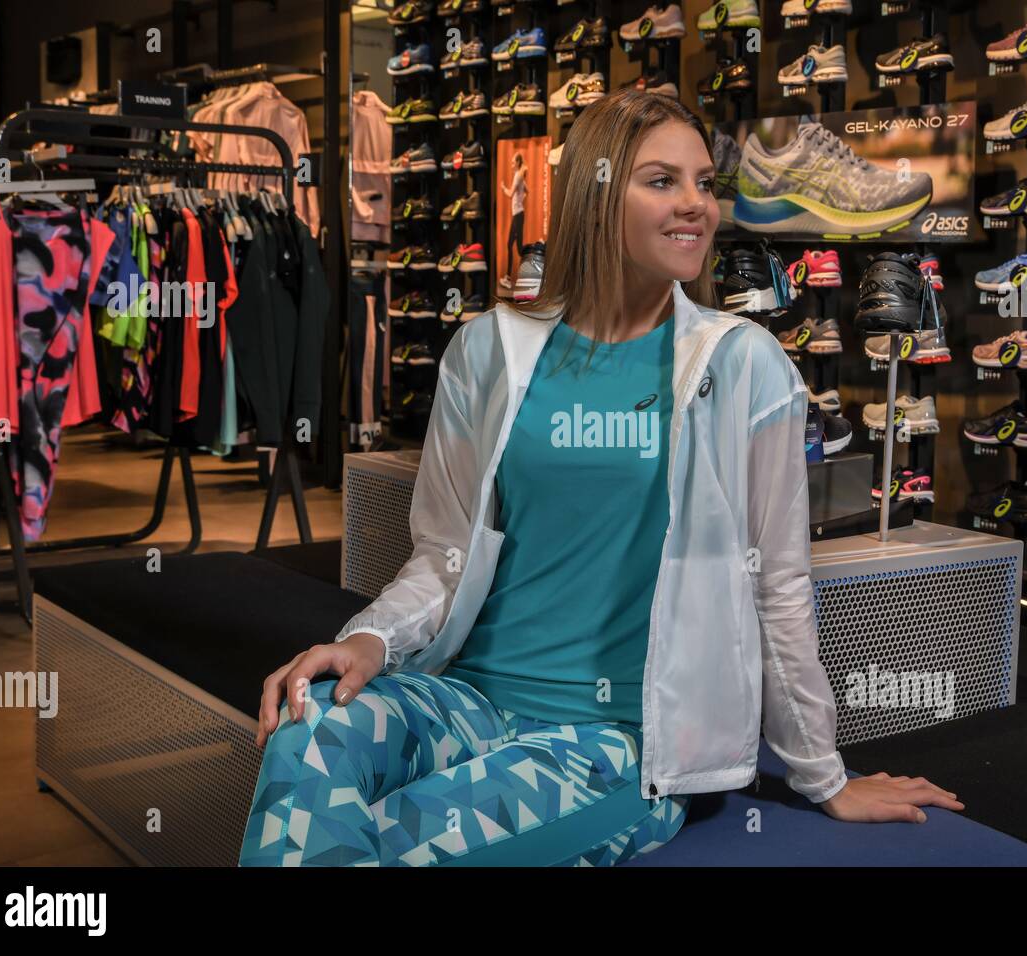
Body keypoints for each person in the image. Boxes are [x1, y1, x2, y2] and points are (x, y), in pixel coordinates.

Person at [240, 89, 963, 867]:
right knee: (309, 731)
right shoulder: (489, 351)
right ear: (596, 194)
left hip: (616, 745)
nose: (695, 206)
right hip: (465, 701)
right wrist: (373, 639)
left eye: (704, 185)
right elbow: (443, 556)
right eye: (662, 181)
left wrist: (824, 777)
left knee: (391, 839)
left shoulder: (743, 364)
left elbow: (777, 585)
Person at [498, 150, 527, 291]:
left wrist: (503, 188)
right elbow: (526, 191)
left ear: (518, 163)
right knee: (516, 247)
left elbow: (510, 194)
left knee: (515, 246)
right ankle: (511, 277)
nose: (511, 163)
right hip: (519, 214)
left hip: (518, 215)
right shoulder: (519, 176)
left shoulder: (517, 176)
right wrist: (521, 200)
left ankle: (510, 278)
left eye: (513, 161)